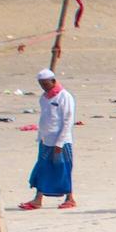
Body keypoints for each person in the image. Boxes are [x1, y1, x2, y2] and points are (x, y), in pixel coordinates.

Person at [19, 67, 78, 210]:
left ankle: (70, 198)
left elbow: (67, 121)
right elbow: (44, 119)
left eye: (46, 84)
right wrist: (40, 137)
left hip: (61, 142)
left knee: (63, 168)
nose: (44, 87)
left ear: (53, 81)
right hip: (45, 141)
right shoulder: (44, 98)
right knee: (42, 169)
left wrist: (60, 142)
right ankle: (37, 199)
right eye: (41, 84)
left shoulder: (65, 97)